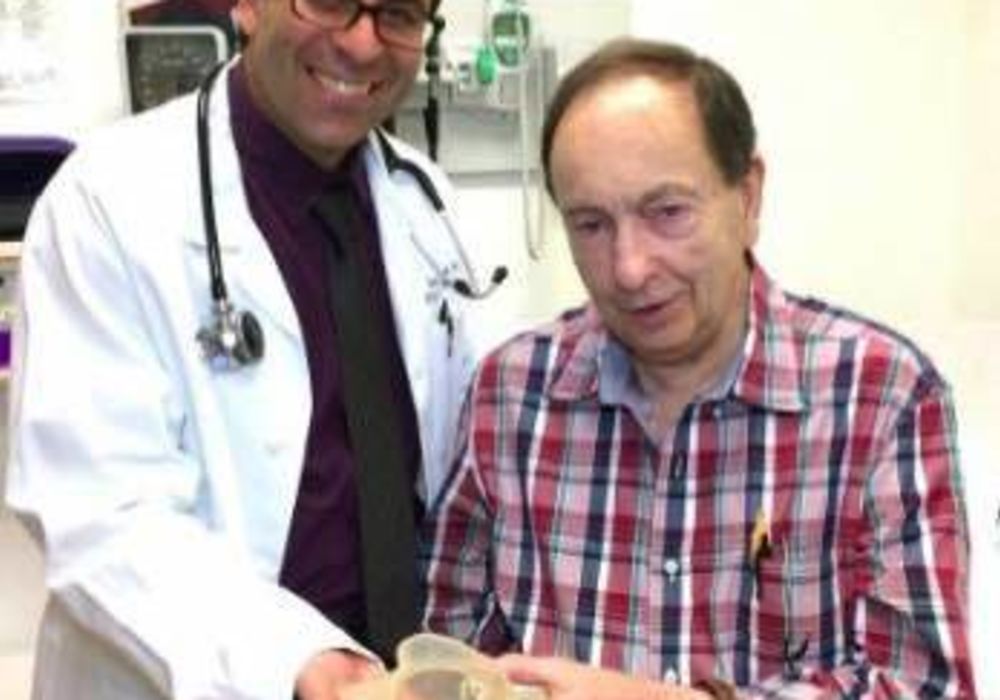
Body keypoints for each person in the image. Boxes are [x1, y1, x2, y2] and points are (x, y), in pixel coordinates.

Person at [422, 38, 977, 699]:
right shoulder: (509, 397)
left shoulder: (881, 396)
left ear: (747, 196)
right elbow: (442, 660)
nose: (629, 268)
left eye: (667, 213)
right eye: (592, 225)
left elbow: (923, 688)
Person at [4, 0, 496, 698]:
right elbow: (100, 513)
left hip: (392, 678)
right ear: (247, 7)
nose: (361, 43)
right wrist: (303, 660)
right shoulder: (109, 199)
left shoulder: (428, 204)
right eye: (328, 1)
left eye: (398, 13)